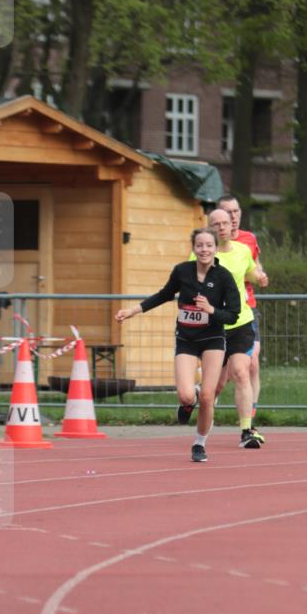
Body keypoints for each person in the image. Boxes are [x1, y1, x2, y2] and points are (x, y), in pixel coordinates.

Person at [115, 228, 239, 463]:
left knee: (207, 396)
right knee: (185, 395)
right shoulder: (182, 271)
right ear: (193, 248)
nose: (204, 250)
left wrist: (211, 310)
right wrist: (133, 310)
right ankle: (187, 401)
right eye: (199, 245)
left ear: (215, 248)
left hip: (213, 339)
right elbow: (163, 295)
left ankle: (199, 443)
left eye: (209, 245)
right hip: (187, 340)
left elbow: (233, 315)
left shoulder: (224, 276)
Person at [205, 209, 264, 449]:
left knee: (241, 371)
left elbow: (250, 272)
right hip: (214, 324)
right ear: (210, 228)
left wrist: (260, 277)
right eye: (215, 224)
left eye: (224, 223)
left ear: (232, 227)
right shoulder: (203, 252)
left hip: (241, 321)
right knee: (217, 383)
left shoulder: (242, 250)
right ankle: (205, 414)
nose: (220, 227)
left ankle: (246, 430)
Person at [216, 194, 269, 419]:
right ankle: (208, 399)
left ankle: (251, 413)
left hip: (247, 307)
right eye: (227, 212)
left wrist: (261, 275)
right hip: (221, 311)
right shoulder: (211, 242)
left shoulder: (249, 239)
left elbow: (255, 266)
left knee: (252, 362)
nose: (233, 216)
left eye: (236, 211)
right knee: (222, 374)